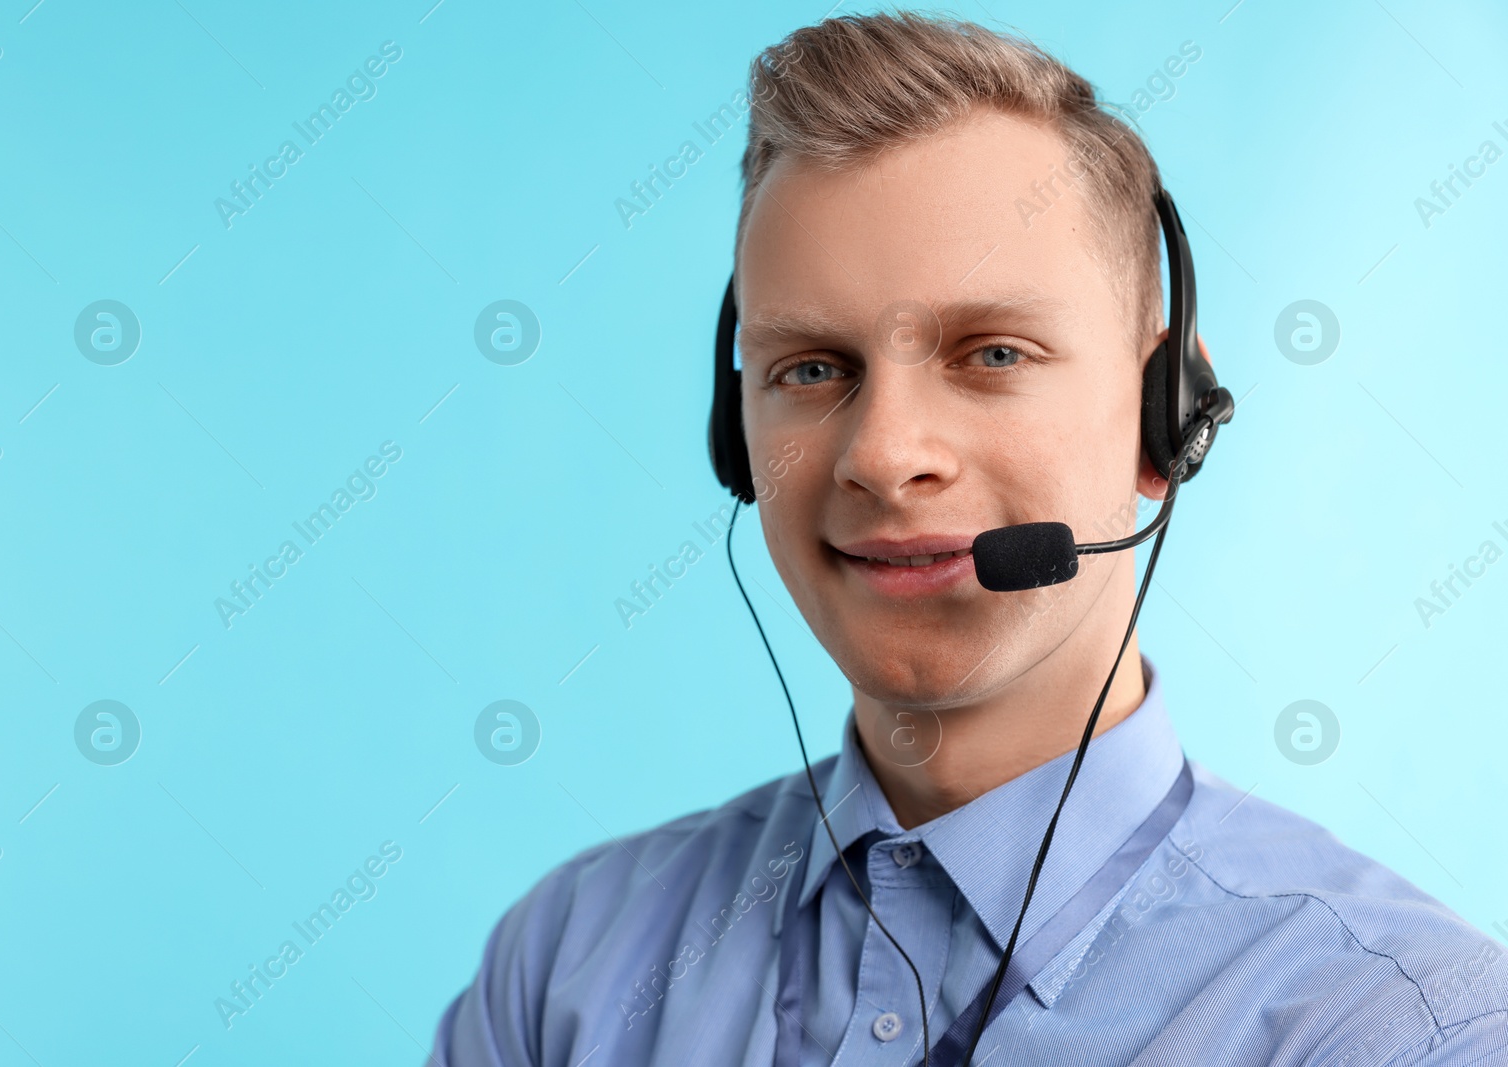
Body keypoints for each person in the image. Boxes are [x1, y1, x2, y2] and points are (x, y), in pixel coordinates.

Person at [431, 12, 1508, 1066]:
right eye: (810, 367)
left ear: (1165, 417)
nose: (883, 454)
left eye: (991, 352)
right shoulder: (565, 968)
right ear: (735, 430)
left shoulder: (1406, 1028)